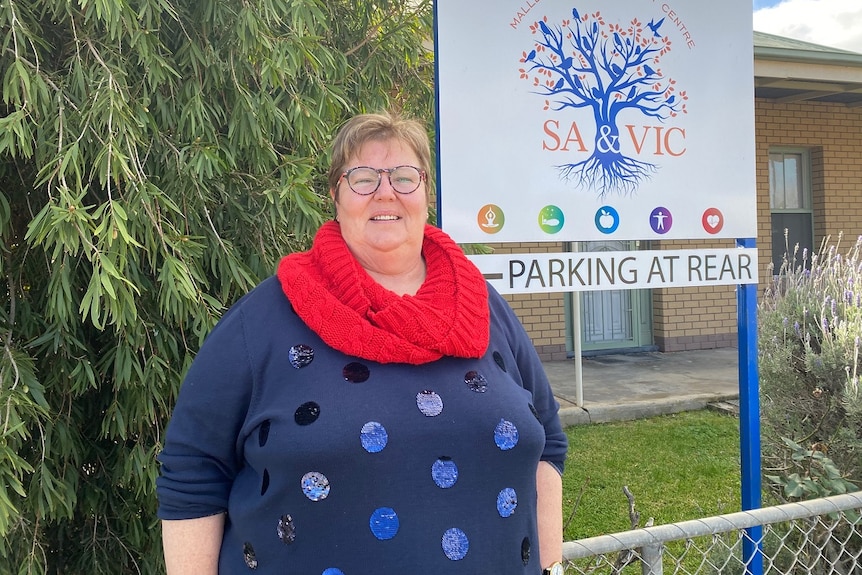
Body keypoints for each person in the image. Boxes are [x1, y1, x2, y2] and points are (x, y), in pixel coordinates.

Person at [156, 111, 568, 574]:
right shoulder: (264, 320)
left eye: (404, 177)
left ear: (426, 194)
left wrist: (550, 565)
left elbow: (548, 442)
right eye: (364, 178)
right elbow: (193, 472)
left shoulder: (483, 307)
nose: (386, 191)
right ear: (335, 195)